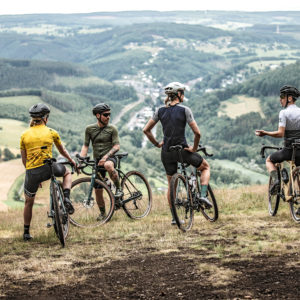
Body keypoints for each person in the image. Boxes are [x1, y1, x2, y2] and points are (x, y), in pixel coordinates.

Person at [143, 82, 212, 225]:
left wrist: (157, 144)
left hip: (166, 152)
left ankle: (174, 217)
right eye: (182, 93)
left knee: (171, 185)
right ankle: (204, 195)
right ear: (179, 94)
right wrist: (193, 148)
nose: (183, 95)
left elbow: (146, 130)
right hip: (182, 151)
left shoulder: (160, 111)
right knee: (205, 167)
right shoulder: (185, 110)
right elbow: (197, 132)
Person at [20, 103, 76, 241]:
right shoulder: (51, 132)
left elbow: (24, 160)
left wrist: (33, 176)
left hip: (32, 172)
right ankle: (67, 197)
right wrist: (72, 160)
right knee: (67, 172)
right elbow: (62, 151)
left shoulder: (24, 135)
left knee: (28, 201)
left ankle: (26, 232)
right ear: (45, 118)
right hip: (49, 168)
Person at [79, 103, 122, 221]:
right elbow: (85, 146)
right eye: (105, 115)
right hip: (97, 161)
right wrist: (81, 160)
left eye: (109, 114)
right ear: (98, 116)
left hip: (110, 157)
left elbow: (117, 146)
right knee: (97, 190)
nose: (108, 117)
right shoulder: (89, 129)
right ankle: (103, 213)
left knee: (108, 164)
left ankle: (118, 188)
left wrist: (106, 156)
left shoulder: (112, 129)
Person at [256, 85, 300, 194]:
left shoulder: (284, 113)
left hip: (289, 150)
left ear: (289, 98)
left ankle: (276, 181)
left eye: (282, 96)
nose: (280, 99)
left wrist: (265, 133)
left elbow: (280, 134)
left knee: (269, 160)